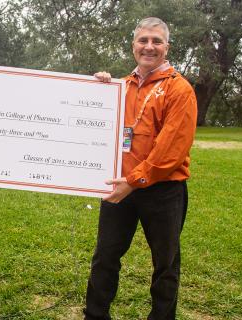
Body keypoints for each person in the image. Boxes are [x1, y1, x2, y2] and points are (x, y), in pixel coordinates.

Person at [85, 17, 197, 320]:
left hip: (162, 190)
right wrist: (96, 91)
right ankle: (95, 315)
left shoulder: (180, 90)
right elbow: (92, 121)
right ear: (133, 45)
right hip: (119, 186)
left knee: (165, 263)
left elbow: (171, 151)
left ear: (167, 47)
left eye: (156, 41)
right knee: (105, 256)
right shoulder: (120, 86)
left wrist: (134, 182)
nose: (149, 47)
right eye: (143, 40)